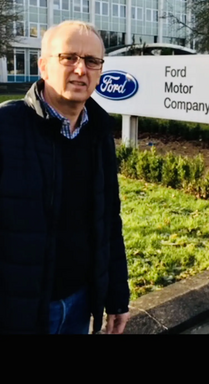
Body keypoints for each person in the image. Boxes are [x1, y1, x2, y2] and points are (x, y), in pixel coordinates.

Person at [0, 20, 130, 334]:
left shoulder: (98, 132)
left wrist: (116, 296)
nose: (81, 69)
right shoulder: (6, 128)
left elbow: (108, 220)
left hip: (79, 305)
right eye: (68, 57)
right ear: (43, 66)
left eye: (91, 61)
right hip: (17, 311)